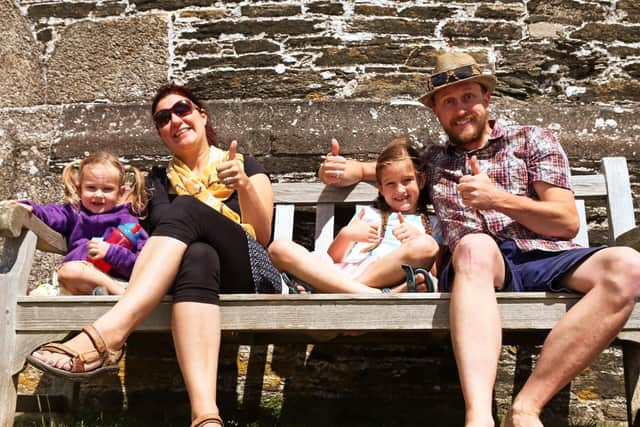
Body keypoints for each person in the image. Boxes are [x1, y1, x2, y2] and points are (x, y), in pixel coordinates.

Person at [318, 51, 640, 427]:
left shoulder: (532, 140)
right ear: (437, 113)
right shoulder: (436, 162)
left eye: (468, 97)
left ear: (486, 98)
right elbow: (389, 171)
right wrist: (349, 170)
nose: (461, 109)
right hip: (476, 266)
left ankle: (524, 409)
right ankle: (480, 419)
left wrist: (498, 199)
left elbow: (566, 222)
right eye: (449, 102)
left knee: (629, 266)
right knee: (473, 244)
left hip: (544, 255)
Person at [26, 83, 283, 427]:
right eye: (164, 118)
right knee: (200, 254)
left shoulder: (243, 163)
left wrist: (244, 185)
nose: (175, 120)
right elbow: (166, 234)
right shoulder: (159, 180)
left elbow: (263, 235)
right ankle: (206, 415)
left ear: (202, 116)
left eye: (183, 109)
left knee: (188, 209)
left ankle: (109, 335)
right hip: (195, 275)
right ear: (161, 132)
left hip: (250, 271)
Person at [269, 137, 440, 294]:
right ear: (380, 188)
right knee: (278, 248)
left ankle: (334, 292)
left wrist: (417, 237)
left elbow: (435, 270)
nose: (400, 190)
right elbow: (333, 258)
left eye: (407, 181)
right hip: (346, 272)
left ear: (422, 180)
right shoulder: (370, 214)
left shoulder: (431, 223)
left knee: (426, 245)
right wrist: (346, 235)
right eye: (390, 184)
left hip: (389, 277)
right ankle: (371, 296)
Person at [0, 151, 149, 295]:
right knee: (62, 276)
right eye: (91, 188)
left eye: (107, 189)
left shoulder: (129, 223)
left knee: (70, 270)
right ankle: (102, 293)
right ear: (79, 189)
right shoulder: (75, 213)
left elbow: (143, 263)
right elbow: (51, 214)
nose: (98, 195)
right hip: (76, 282)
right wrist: (29, 207)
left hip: (117, 281)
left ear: (120, 192)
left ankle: (120, 295)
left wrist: (110, 252)